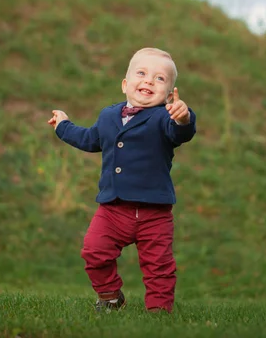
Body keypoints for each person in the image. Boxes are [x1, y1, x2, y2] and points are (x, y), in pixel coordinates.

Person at [48, 47, 196, 313]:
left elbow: (180, 132)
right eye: (142, 73)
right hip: (114, 209)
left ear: (169, 95)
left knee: (159, 266)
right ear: (125, 85)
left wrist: (184, 117)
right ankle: (110, 296)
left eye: (160, 79)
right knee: (94, 252)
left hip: (154, 212)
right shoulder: (108, 116)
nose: (149, 81)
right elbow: (90, 139)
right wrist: (63, 126)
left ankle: (159, 313)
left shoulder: (165, 118)